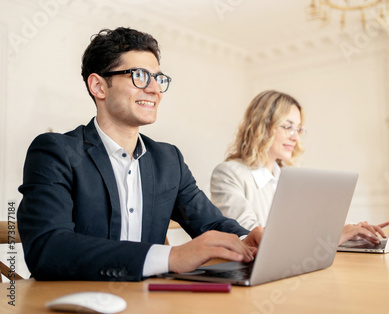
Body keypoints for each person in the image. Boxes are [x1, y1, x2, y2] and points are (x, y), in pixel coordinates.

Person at [17, 27, 262, 282]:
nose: (156, 89)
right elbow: (48, 248)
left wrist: (248, 239)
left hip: (147, 301)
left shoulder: (169, 160)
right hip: (75, 301)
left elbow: (210, 223)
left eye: (158, 78)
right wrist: (171, 257)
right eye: (141, 76)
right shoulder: (55, 152)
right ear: (99, 86)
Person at [210, 90, 389, 245]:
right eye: (288, 127)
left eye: (298, 129)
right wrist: (334, 237)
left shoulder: (287, 177)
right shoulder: (229, 174)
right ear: (262, 127)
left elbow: (312, 225)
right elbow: (250, 237)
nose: (295, 137)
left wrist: (352, 231)